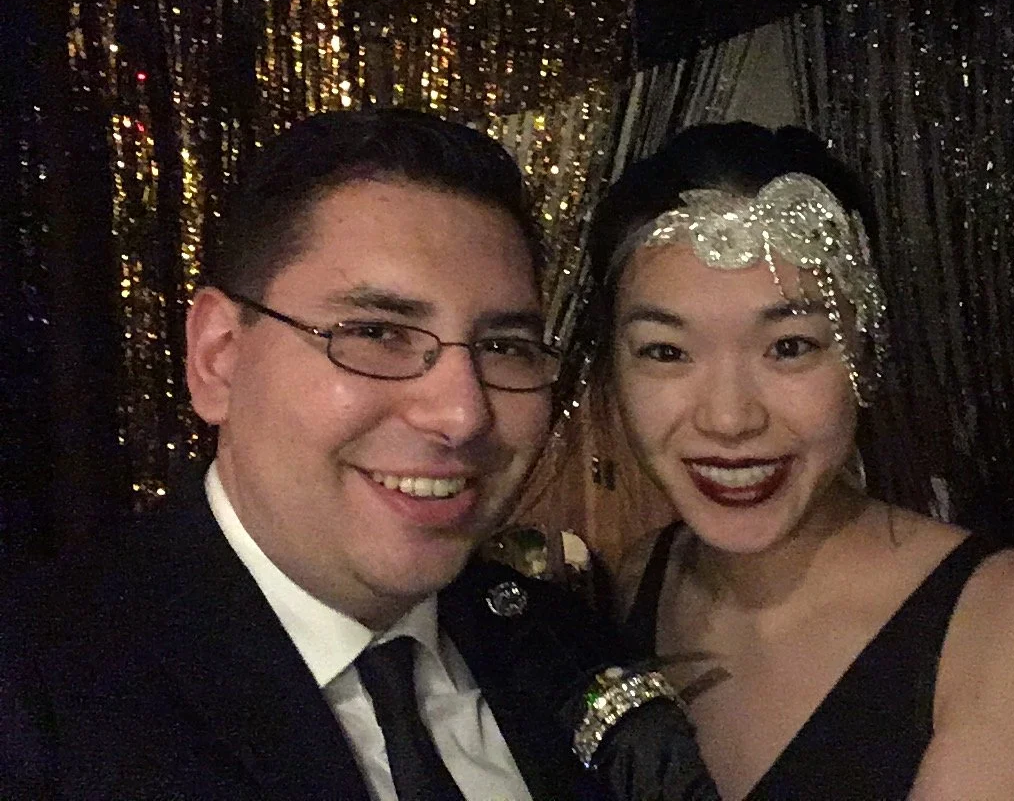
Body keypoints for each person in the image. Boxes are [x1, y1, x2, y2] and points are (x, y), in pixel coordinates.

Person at [0, 110, 707, 801]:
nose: (462, 414)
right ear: (219, 357)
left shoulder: (559, 646)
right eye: (375, 332)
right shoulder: (40, 693)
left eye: (505, 348)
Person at [584, 123, 1014, 801]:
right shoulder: (639, 578)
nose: (730, 418)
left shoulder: (1013, 620)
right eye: (666, 351)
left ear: (866, 351)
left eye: (791, 347)